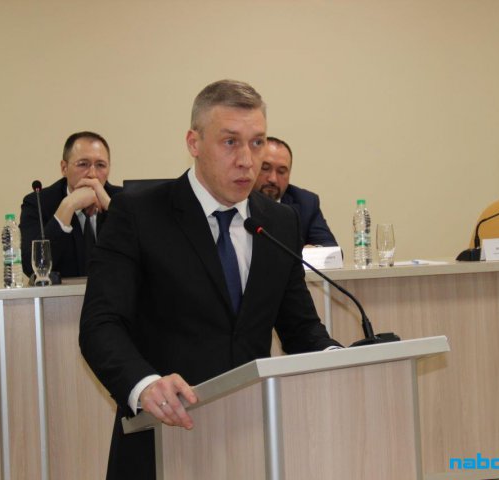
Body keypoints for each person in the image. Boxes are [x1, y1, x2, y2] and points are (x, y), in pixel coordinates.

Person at [79, 80, 342, 480]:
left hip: (251, 440)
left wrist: (336, 359)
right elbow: (101, 324)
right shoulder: (138, 213)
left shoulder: (278, 222)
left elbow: (300, 328)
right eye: (230, 142)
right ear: (194, 142)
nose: (247, 161)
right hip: (163, 438)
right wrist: (145, 385)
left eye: (257, 143)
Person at [19, 131, 122, 278]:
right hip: (63, 293)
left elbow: (149, 258)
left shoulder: (122, 199)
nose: (92, 174)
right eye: (83, 164)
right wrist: (68, 206)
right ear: (64, 168)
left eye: (100, 165)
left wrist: (114, 209)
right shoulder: (39, 203)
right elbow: (31, 267)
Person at [254, 137, 338, 247]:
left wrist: (313, 251)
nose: (273, 179)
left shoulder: (306, 203)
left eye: (281, 171)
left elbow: (331, 249)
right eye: (265, 168)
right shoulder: (238, 200)